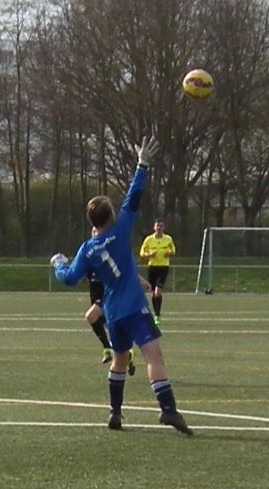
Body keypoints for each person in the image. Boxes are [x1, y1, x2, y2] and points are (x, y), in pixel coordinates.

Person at [50, 135, 192, 435]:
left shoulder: (87, 249)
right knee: (154, 356)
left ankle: (115, 412)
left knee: (120, 359)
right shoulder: (121, 229)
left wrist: (59, 264)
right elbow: (134, 197)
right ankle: (168, 410)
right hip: (134, 308)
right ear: (111, 216)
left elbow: (70, 277)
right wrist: (142, 165)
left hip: (113, 313)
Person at [85, 228, 137, 375]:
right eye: (94, 233)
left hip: (109, 295)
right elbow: (78, 274)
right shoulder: (88, 254)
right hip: (95, 295)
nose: (97, 236)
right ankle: (128, 354)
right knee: (112, 329)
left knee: (90, 316)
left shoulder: (110, 254)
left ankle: (107, 348)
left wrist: (139, 281)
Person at [139, 218, 176, 326]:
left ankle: (157, 315)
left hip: (163, 267)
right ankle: (155, 313)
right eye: (157, 226)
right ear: (154, 227)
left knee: (158, 291)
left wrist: (169, 253)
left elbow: (173, 250)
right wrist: (148, 255)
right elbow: (142, 252)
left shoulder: (168, 239)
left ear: (163, 227)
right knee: (153, 293)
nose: (159, 228)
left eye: (161, 226)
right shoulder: (149, 239)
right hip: (152, 267)